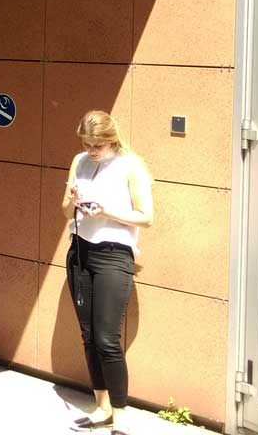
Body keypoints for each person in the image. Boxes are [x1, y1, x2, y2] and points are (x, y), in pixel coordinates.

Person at [61, 110, 154, 434]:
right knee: (88, 335)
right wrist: (74, 200)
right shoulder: (79, 162)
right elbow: (65, 211)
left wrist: (107, 212)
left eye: (97, 145)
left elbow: (147, 217)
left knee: (106, 338)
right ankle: (101, 407)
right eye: (86, 144)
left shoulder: (130, 166)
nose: (91, 151)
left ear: (111, 140)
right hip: (80, 251)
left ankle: (120, 415)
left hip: (114, 254)